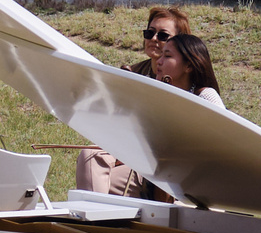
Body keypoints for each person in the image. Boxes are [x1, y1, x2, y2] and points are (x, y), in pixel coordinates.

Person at [75, 16, 224, 194]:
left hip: (187, 174)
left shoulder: (205, 96)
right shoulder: (154, 90)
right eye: (149, 33)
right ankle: (94, 218)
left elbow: (220, 146)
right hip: (150, 168)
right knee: (90, 156)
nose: (159, 61)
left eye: (167, 56)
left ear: (189, 66)